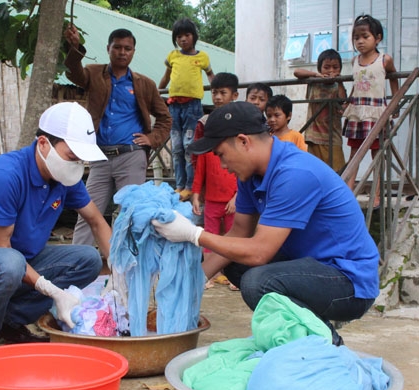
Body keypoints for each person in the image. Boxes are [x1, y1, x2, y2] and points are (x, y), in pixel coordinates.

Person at [152, 102, 380, 345]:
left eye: (221, 155)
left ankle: (328, 343)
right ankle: (305, 332)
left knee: (257, 282)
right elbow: (239, 233)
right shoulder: (251, 175)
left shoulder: (294, 173)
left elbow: (260, 253)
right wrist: (193, 281)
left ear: (243, 141)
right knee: (233, 261)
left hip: (348, 281)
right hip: (311, 266)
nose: (222, 166)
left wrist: (193, 234)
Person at [0, 102, 112, 354]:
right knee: (9, 262)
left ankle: (8, 322)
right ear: (43, 144)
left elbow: (96, 221)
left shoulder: (63, 177)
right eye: (72, 156)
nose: (77, 164)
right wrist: (54, 292)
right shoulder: (5, 176)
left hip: (13, 265)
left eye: (81, 159)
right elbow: (0, 250)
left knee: (88, 259)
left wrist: (120, 273)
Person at [63, 25, 172, 246]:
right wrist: (74, 48)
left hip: (130, 156)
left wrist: (151, 139)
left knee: (130, 215)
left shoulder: (145, 84)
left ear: (133, 52)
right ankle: (74, 262)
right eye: (118, 47)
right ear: (108, 49)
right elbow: (75, 74)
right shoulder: (94, 73)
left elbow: (165, 118)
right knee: (88, 212)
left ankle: (126, 268)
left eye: (128, 48)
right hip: (99, 157)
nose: (122, 52)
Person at [342, 14, 399, 209]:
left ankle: (376, 195)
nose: (360, 41)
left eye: (365, 36)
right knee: (354, 154)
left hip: (376, 113)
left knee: (377, 156)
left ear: (378, 38)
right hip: (357, 114)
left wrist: (395, 102)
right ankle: (348, 193)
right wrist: (349, 101)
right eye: (356, 37)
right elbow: (357, 85)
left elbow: (393, 78)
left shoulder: (384, 60)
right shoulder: (355, 61)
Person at [190, 73, 239, 290]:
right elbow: (199, 164)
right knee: (209, 235)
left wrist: (238, 197)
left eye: (223, 93)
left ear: (234, 95)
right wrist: (196, 194)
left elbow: (244, 172)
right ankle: (210, 272)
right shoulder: (205, 125)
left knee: (233, 235)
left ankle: (233, 275)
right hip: (212, 197)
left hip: (232, 196)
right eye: (214, 93)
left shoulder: (241, 125)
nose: (218, 97)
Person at [159, 17, 215, 202]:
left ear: (194, 36)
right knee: (176, 148)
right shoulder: (172, 56)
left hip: (192, 106)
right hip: (174, 106)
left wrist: (219, 93)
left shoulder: (202, 57)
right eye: (179, 36)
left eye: (187, 35)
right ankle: (180, 185)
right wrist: (157, 95)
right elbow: (165, 78)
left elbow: (210, 75)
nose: (183, 39)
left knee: (188, 146)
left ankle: (191, 186)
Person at [294, 49, 347, 172]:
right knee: (316, 170)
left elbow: (343, 99)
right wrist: (315, 75)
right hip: (314, 137)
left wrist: (339, 81)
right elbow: (297, 72)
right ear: (320, 69)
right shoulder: (314, 83)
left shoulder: (337, 86)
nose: (331, 71)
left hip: (333, 137)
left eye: (335, 67)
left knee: (338, 171)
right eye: (326, 67)